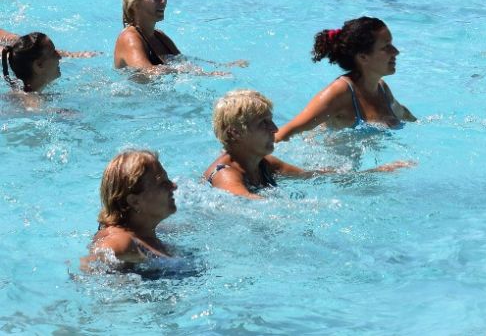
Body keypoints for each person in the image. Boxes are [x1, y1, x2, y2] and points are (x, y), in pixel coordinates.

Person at [205, 89, 411, 199]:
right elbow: (249, 203)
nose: (275, 129)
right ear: (235, 132)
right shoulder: (225, 175)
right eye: (263, 123)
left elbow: (312, 176)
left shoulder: (265, 163)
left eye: (271, 120)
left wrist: (375, 172)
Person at [275, 17, 418, 141]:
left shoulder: (381, 89)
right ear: (363, 57)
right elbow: (287, 132)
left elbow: (403, 113)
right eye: (386, 47)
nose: (396, 52)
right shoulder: (339, 93)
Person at [85, 150, 177, 268]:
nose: (174, 186)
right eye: (162, 183)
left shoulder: (145, 231)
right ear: (135, 202)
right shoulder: (124, 241)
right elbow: (93, 261)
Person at [113, 0, 182, 71]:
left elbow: (185, 63)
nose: (163, 1)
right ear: (135, 3)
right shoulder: (128, 38)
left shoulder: (160, 37)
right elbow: (147, 72)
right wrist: (179, 70)